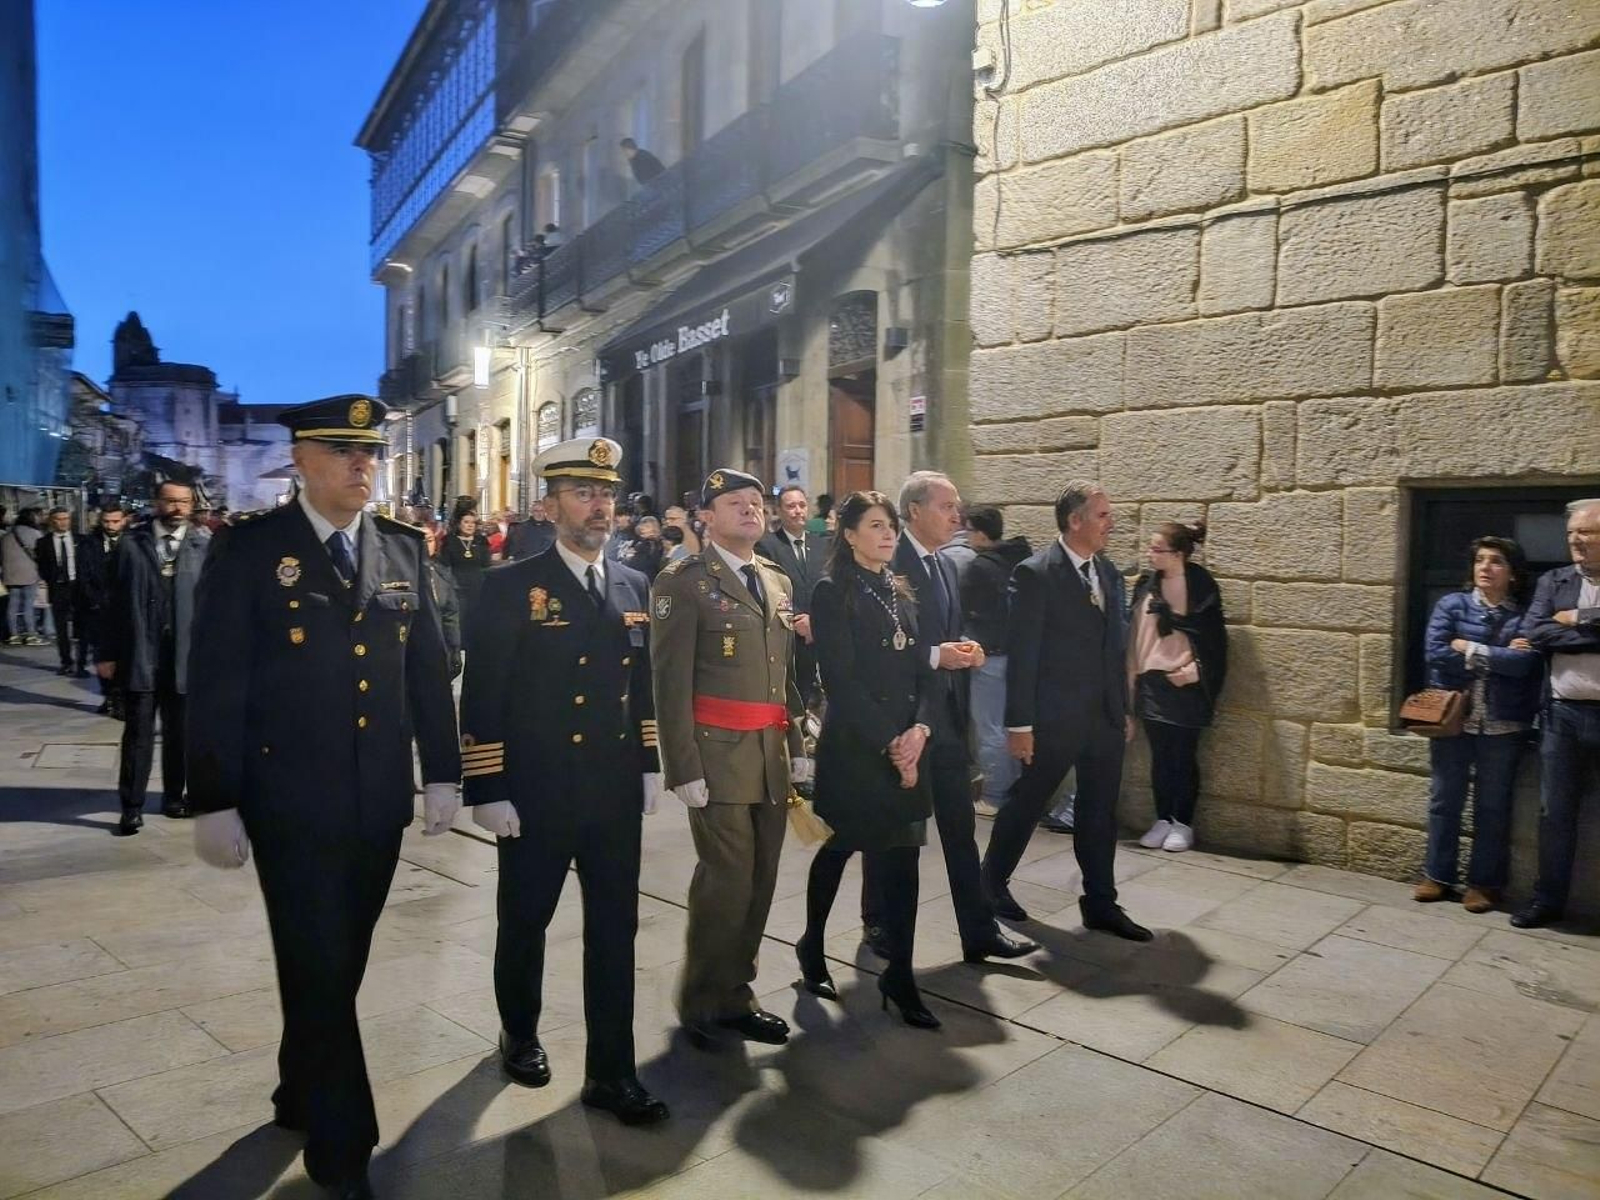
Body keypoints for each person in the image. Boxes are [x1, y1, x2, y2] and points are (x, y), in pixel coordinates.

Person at [185, 394, 461, 1200]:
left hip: (377, 799)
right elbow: (215, 680)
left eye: (369, 454)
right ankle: (344, 1146)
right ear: (301, 460)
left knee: (334, 966)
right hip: (286, 800)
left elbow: (427, 672)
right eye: (342, 453)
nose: (361, 467)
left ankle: (298, 1088)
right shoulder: (251, 551)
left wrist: (442, 771)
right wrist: (214, 796)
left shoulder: (401, 550)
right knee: (317, 959)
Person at [460, 436, 669, 1126]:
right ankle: (518, 1031)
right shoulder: (509, 586)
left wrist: (647, 764)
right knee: (524, 921)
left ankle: (611, 1072)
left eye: (606, 493)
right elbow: (483, 693)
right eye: (583, 492)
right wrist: (487, 787)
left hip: (610, 793)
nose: (600, 505)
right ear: (548, 506)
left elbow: (641, 689)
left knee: (615, 932)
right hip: (536, 791)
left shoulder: (634, 585)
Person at [650, 468, 810, 1049]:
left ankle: (736, 994)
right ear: (706, 518)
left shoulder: (776, 579)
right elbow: (669, 682)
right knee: (727, 880)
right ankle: (702, 999)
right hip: (715, 757)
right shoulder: (684, 582)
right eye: (735, 503)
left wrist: (796, 748)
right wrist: (682, 765)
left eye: (756, 502)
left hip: (768, 754)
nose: (751, 510)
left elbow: (782, 675)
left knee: (762, 879)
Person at [982, 481, 1152, 942]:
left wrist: (1124, 709)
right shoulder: (1036, 574)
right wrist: (1020, 724)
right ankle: (989, 885)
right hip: (1051, 720)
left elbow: (1115, 647)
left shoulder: (1110, 574)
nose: (1110, 523)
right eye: (1102, 515)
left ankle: (1100, 903)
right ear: (1074, 521)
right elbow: (1024, 656)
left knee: (1098, 812)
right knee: (1027, 802)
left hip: (1103, 719)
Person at [798, 491, 940, 1028]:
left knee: (903, 860)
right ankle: (812, 944)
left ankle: (900, 973)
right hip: (859, 747)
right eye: (876, 526)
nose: (888, 536)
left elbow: (926, 670)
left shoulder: (901, 590)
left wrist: (920, 730)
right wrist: (891, 742)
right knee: (840, 847)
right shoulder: (834, 592)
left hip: (908, 744)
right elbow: (840, 680)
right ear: (850, 534)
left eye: (893, 527)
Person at [889, 472, 1036, 964]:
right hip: (903, 720)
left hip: (945, 718)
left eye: (959, 508)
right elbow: (884, 647)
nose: (958, 516)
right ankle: (878, 925)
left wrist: (964, 649)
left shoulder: (948, 566)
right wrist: (937, 654)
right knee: (892, 834)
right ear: (914, 511)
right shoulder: (891, 562)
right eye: (947, 507)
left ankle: (979, 931)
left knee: (958, 829)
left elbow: (950, 630)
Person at [1416, 536, 1539, 913]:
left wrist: (1468, 648)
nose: (1485, 567)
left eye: (1496, 561)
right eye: (1480, 560)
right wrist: (1500, 654)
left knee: (1494, 806)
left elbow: (1527, 665)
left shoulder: (1526, 614)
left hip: (1503, 725)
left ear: (1513, 573)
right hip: (1454, 721)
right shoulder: (1451, 604)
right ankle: (1437, 875)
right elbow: (1436, 653)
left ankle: (1484, 884)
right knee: (1444, 799)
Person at [102, 481, 210, 834]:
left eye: (184, 502)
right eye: (170, 501)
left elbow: (215, 609)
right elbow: (111, 603)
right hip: (141, 653)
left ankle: (175, 798)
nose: (177, 508)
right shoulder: (131, 545)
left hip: (186, 656)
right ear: (157, 503)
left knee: (181, 734)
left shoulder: (203, 546)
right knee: (138, 733)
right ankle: (131, 806)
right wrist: (106, 653)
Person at [1515, 499, 1600, 929]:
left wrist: (1578, 618)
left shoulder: (1571, 599)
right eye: (1571, 535)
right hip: (1562, 717)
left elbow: (1560, 630)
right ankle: (1547, 902)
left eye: (1585, 533)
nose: (1575, 542)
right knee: (1555, 815)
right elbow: (1537, 632)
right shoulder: (1554, 581)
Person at [1129, 521, 1229, 854]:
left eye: (1158, 549)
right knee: (1160, 756)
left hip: (1185, 682)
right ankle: (1163, 818)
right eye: (1150, 548)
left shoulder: (1199, 584)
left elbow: (1213, 638)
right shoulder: (1146, 584)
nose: (1151, 554)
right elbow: (1135, 636)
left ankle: (1182, 823)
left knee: (1183, 755)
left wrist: (1196, 671)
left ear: (1178, 554)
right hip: (1152, 682)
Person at [960, 506, 1031, 817]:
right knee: (1015, 725)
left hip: (988, 655)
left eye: (969, 529)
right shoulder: (1019, 558)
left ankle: (995, 794)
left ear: (980, 533)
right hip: (1018, 655)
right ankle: (1016, 790)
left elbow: (964, 608)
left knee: (990, 728)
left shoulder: (980, 567)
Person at [757, 485, 829, 704]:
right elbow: (770, 588)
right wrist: (798, 619)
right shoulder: (767, 545)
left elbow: (829, 588)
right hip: (788, 635)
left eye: (802, 505)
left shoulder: (823, 544)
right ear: (779, 511)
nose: (798, 511)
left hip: (822, 633)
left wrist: (816, 621)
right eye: (791, 506)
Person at [79, 504, 129, 715]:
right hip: (98, 612)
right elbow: (83, 578)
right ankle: (108, 695)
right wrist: (95, 602)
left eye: (115, 521)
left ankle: (120, 698)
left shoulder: (135, 542)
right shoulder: (88, 544)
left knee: (125, 657)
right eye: (106, 521)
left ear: (124, 520)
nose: (110, 526)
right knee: (102, 658)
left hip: (126, 611)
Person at [35, 507, 88, 676]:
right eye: (59, 519)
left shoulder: (82, 540)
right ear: (52, 521)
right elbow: (42, 566)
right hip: (58, 588)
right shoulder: (43, 542)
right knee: (61, 628)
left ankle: (81, 663)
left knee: (81, 628)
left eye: (66, 518)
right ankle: (66, 661)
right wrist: (51, 579)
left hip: (78, 587)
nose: (63, 522)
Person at [441, 510, 492, 632]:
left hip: (478, 587)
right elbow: (445, 565)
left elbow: (486, 565)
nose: (470, 525)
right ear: (459, 524)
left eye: (473, 523)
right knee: (460, 621)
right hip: (457, 587)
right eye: (466, 522)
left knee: (476, 620)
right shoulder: (450, 541)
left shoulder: (481, 542)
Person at [2, 508, 45, 646]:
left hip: (10, 574)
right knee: (28, 604)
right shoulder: (35, 533)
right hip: (29, 573)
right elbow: (42, 553)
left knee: (12, 605)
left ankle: (14, 635)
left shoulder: (7, 535)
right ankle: (31, 634)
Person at [623, 514, 666, 579]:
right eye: (642, 525)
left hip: (645, 577)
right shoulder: (637, 542)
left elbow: (647, 563)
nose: (643, 528)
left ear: (654, 529)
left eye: (647, 526)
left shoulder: (654, 544)